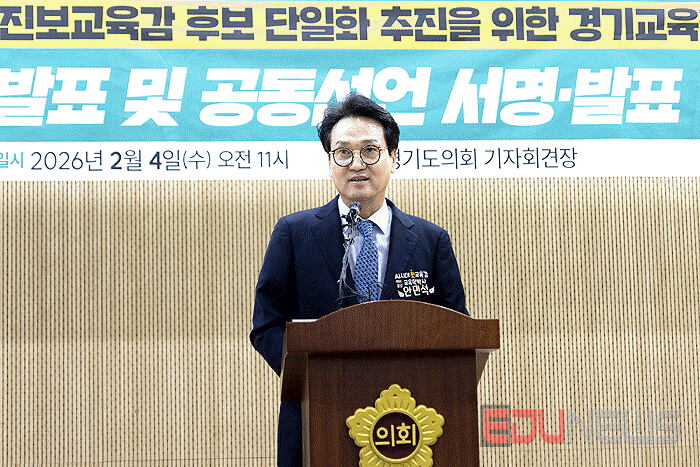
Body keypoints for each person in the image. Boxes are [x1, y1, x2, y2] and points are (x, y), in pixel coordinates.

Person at [250, 93, 468, 467]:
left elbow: (457, 330)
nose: (356, 164)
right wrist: (310, 375)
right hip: (318, 413)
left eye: (370, 151)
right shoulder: (294, 233)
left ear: (394, 157)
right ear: (329, 161)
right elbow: (267, 325)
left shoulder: (431, 241)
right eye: (343, 152)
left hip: (409, 421)